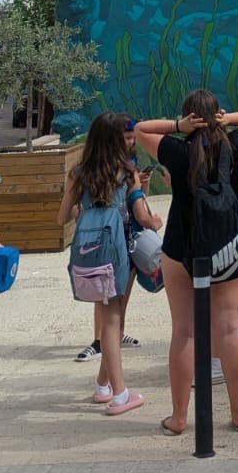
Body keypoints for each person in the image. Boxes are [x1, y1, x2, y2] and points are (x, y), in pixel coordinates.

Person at [134, 94, 238, 437]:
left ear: (188, 117)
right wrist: (228, 120)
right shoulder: (235, 145)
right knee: (229, 327)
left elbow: (140, 129)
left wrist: (178, 127)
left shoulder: (177, 151)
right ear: (217, 114)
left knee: (184, 330)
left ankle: (179, 417)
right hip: (227, 244)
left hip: (181, 246)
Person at [57, 113, 160, 416]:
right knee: (114, 323)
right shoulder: (127, 173)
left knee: (109, 320)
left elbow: (62, 218)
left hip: (89, 256)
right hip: (118, 255)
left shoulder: (78, 174)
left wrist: (85, 211)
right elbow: (141, 216)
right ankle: (120, 394)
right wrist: (155, 222)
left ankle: (103, 385)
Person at [74, 116, 154, 364]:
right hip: (112, 239)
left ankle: (113, 338)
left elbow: (137, 201)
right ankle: (101, 342)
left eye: (133, 138)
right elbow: (141, 214)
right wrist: (153, 222)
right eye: (127, 138)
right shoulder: (114, 170)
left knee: (115, 298)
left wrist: (142, 186)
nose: (131, 142)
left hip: (116, 237)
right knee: (107, 298)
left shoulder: (127, 166)